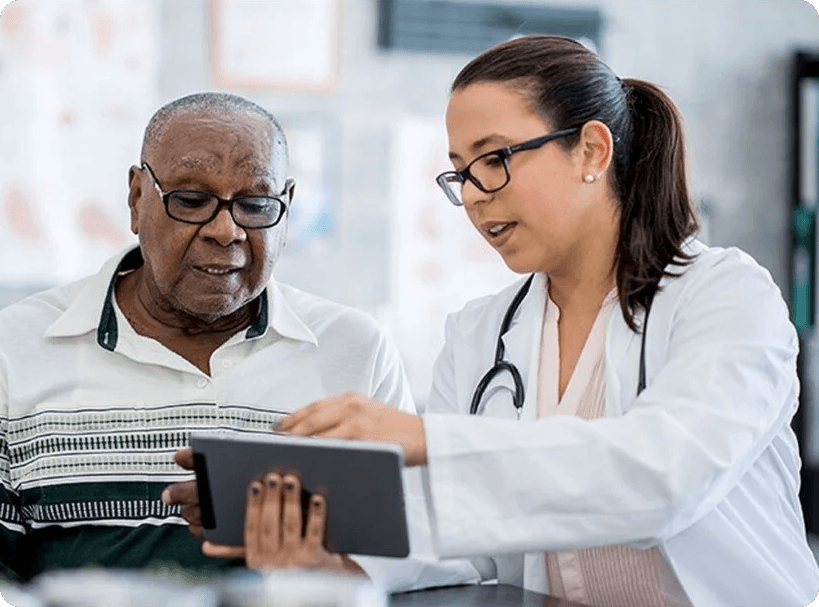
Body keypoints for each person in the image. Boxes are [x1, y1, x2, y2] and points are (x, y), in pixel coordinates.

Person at [264, 36, 819, 606]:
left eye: (495, 159)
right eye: (460, 173)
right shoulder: (478, 334)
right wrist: (331, 545)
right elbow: (459, 531)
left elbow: (664, 478)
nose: (476, 197)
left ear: (591, 152)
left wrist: (425, 437)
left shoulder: (727, 295)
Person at [0, 92, 479, 591]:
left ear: (286, 208)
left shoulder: (352, 350)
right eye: (190, 200)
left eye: (254, 205)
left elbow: (427, 550)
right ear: (137, 198)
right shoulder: (16, 348)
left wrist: (320, 556)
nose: (225, 231)